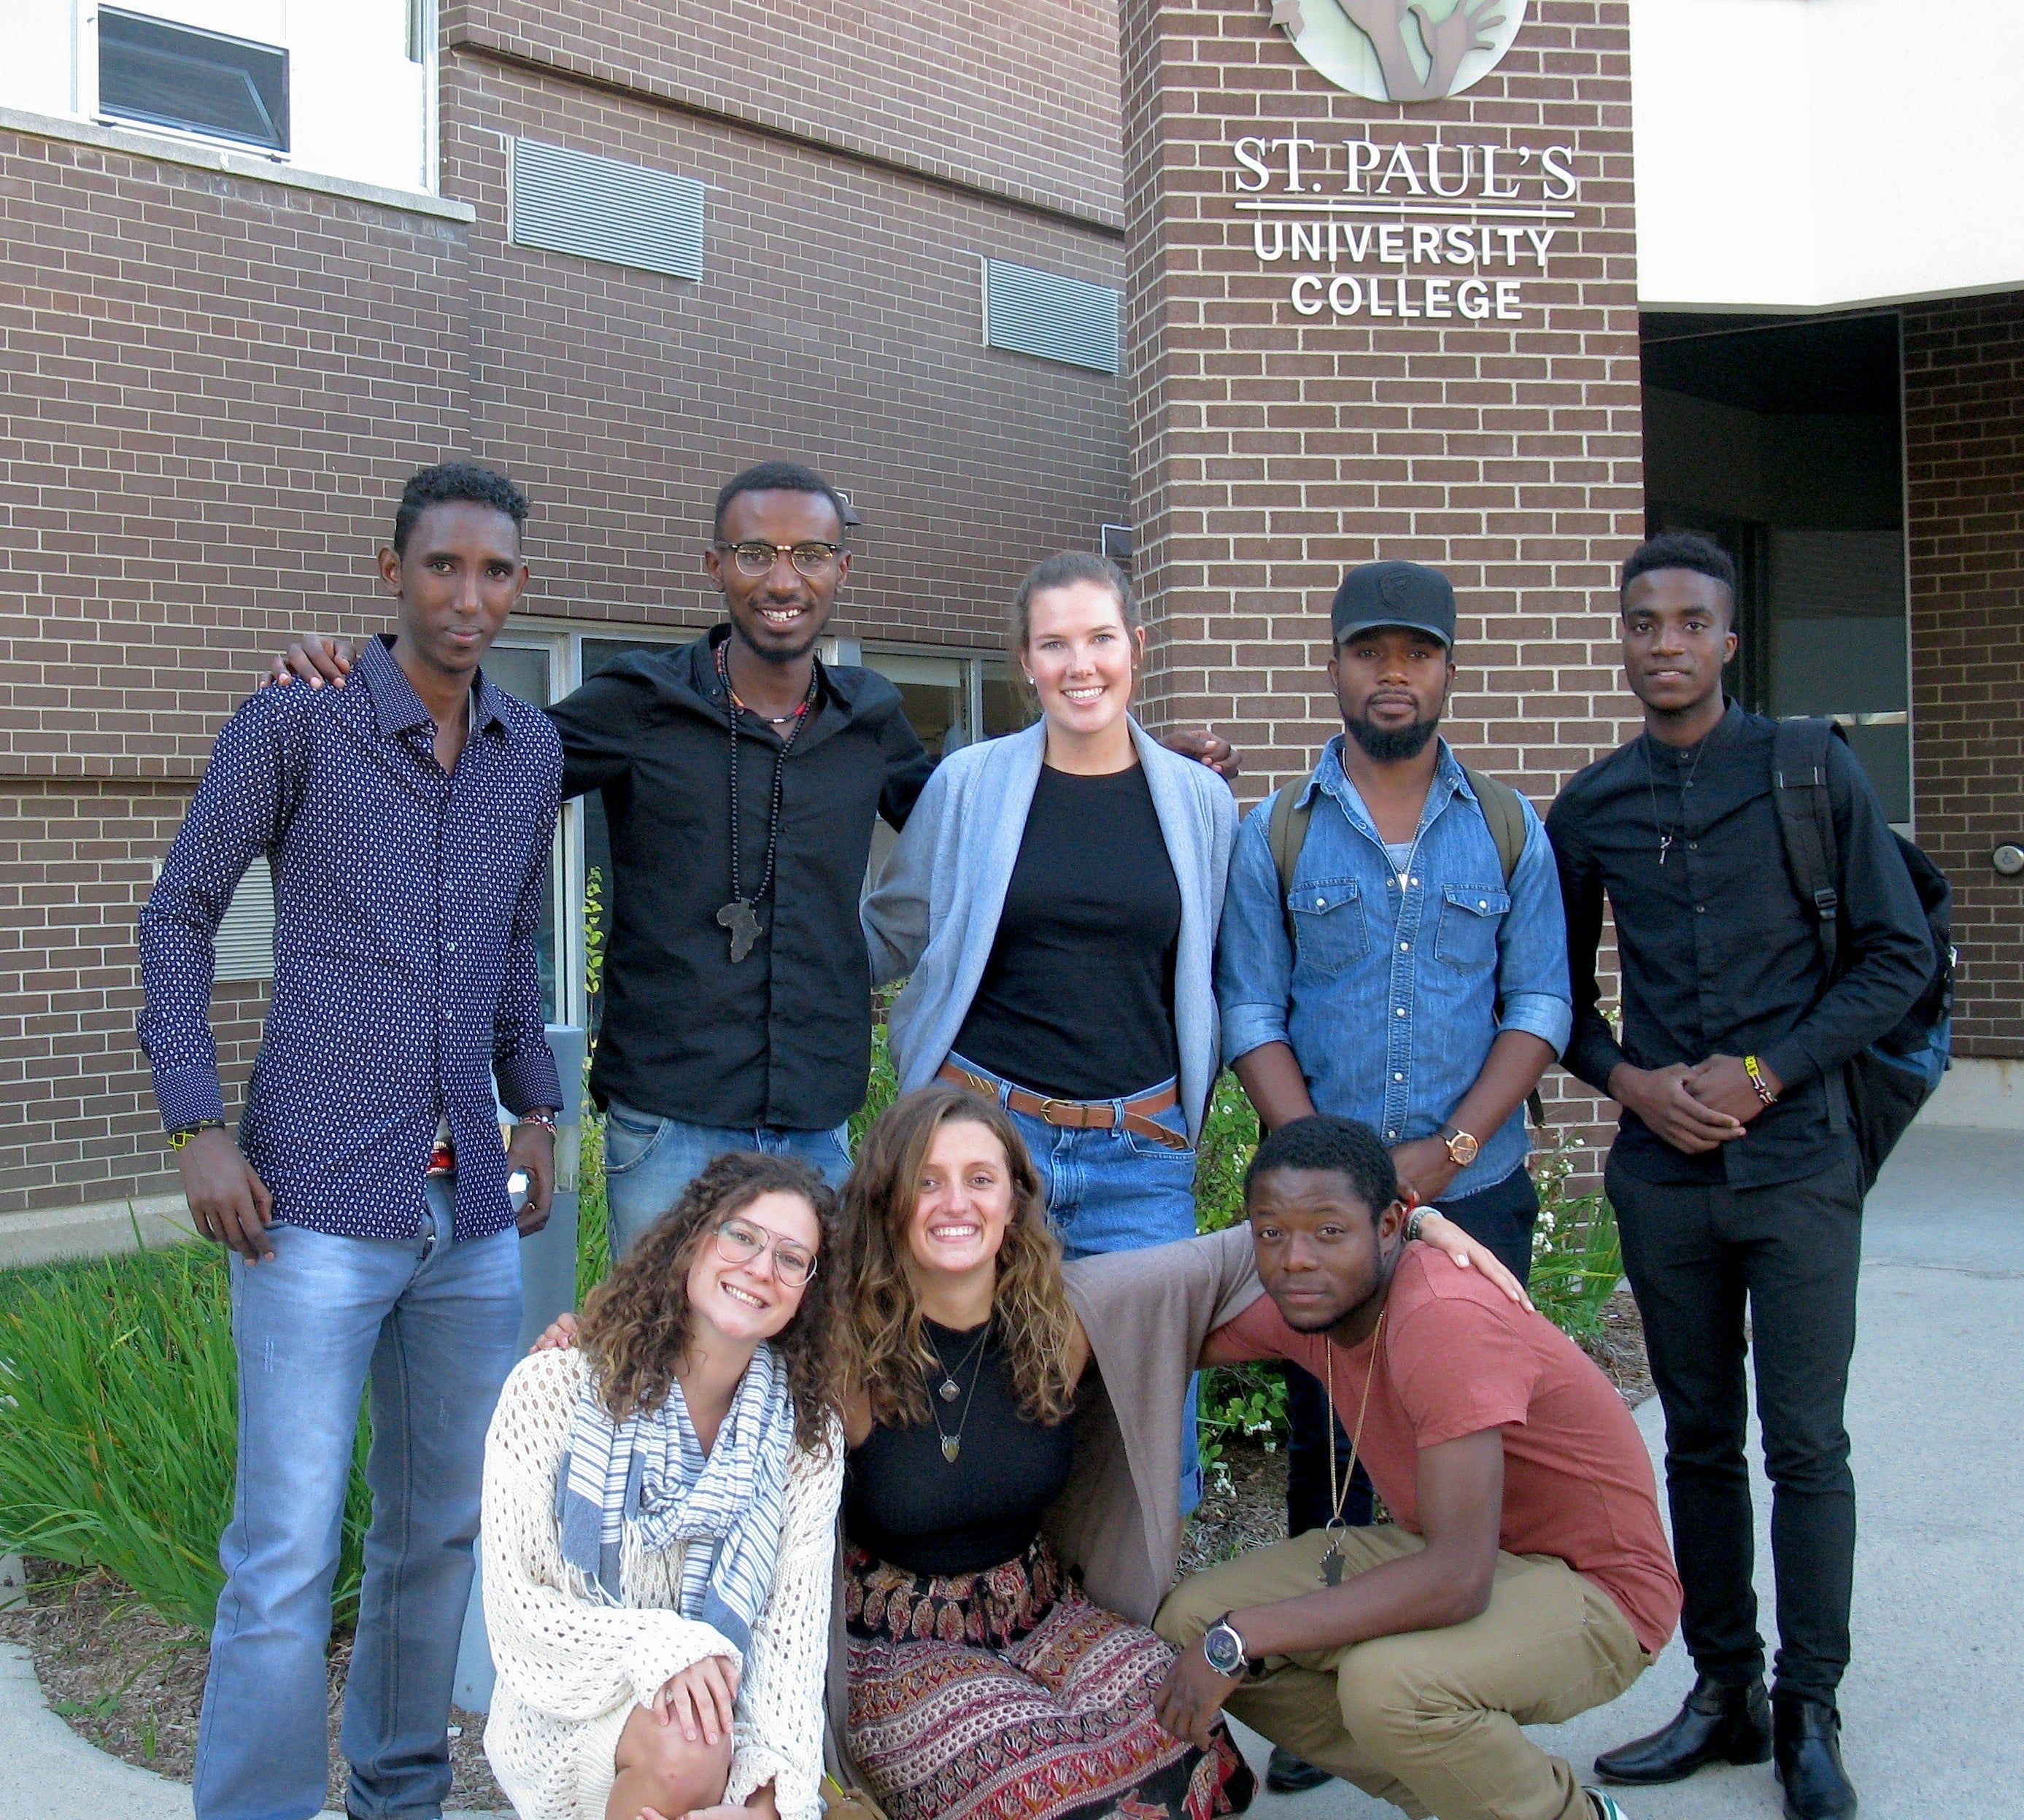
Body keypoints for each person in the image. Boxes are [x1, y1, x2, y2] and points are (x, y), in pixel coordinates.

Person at [266, 466, 1235, 1261]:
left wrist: (1139, 774)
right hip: (668, 1126)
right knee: (661, 1380)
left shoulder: (871, 718)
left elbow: (994, 823)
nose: (784, 578)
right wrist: (363, 674)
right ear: (715, 566)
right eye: (756, 553)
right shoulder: (639, 701)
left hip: (815, 1124)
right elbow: (478, 754)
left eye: (809, 554)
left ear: (839, 570)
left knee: (804, 1390)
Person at [533, 1088, 1527, 1820]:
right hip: (893, 1642)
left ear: (1016, 1197)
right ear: (886, 1202)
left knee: (1191, 1753)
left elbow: (1248, 1246)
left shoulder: (1076, 1315)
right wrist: (595, 1342)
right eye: (926, 1181)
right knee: (1050, 1790)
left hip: (1042, 1609)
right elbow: (710, 1327)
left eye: (979, 1178)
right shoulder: (835, 1338)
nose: (954, 1201)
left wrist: (1422, 1219)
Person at [137, 462, 564, 1820]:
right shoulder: (296, 722)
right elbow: (176, 916)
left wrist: (536, 1102)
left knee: (435, 1533)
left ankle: (397, 1796)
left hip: (467, 1221)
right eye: (443, 567)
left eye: (494, 572)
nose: (468, 596)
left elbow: (509, 945)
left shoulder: (529, 752)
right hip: (308, 1200)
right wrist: (196, 1123)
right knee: (281, 1555)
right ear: (391, 574)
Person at [1547, 533, 1932, 1819]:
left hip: (1800, 1163)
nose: (1662, 643)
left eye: (1687, 622)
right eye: (1640, 622)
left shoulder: (1806, 768)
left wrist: (1764, 1073)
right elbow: (1550, 1002)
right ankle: (1721, 1691)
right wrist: (1631, 1085)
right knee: (1698, 1443)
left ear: (1725, 639)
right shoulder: (1590, 805)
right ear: (1622, 641)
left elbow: (1891, 961)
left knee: (1803, 1441)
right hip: (1662, 1175)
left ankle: (1806, 1709)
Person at [1213, 559, 1572, 1786]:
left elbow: (1538, 1006)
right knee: (1329, 1446)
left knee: (1474, 1449)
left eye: (1415, 653)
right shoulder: (1281, 826)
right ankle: (1321, 1690)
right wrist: (1326, 1171)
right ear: (1332, 665)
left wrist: (1446, 1150)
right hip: (1323, 1218)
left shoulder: (1512, 826)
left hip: (1472, 1192)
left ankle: (1464, 1681)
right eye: (1369, 651)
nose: (1392, 673)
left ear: (1448, 672)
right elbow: (1248, 1008)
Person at [1153, 1115, 1680, 1820]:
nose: (1295, 1260)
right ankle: (1465, 1797)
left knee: (1389, 1686)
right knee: (1191, 1617)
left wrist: (1244, 1637)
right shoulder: (1314, 1305)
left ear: (1393, 1224)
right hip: (1469, 1555)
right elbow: (1148, 1328)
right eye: (1270, 1233)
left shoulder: (1440, 1316)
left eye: (1329, 1230)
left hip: (1597, 1592)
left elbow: (1457, 1581)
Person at [862, 551, 1236, 1503]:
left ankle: (1142, 1637)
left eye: (1100, 638)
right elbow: (891, 932)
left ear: (1135, 649)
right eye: (1054, 642)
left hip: (1138, 1154)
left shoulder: (1199, 803)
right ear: (1024, 660)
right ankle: (975, 1612)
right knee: (959, 1406)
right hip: (982, 1144)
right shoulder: (967, 785)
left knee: (1152, 1442)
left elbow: (1222, 974)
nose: (1081, 664)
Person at [482, 1152, 845, 1820]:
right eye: (742, 1236)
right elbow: (519, 1618)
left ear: (807, 1291)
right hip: (572, 1711)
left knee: (702, 1737)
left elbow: (790, 1650)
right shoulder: (554, 1391)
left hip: (730, 1731)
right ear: (694, 1239)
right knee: (687, 1740)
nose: (761, 1268)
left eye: (793, 1259)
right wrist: (671, 1645)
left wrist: (764, 1809)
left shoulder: (806, 1444)